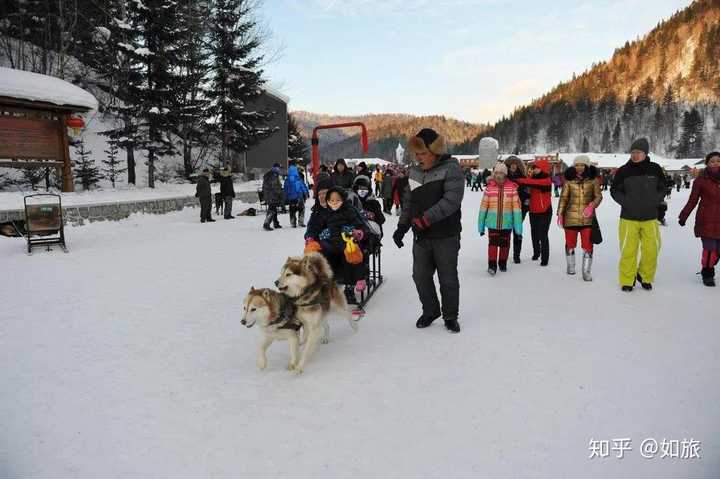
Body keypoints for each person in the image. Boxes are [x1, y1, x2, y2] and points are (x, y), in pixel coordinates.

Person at [392, 128, 464, 334]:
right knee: (420, 276)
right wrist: (402, 227)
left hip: (446, 235)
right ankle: (431, 310)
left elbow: (451, 201)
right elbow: (409, 201)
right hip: (421, 235)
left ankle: (450, 315)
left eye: (422, 153)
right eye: (416, 154)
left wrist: (425, 219)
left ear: (435, 151)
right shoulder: (415, 171)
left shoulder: (452, 169)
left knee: (447, 278)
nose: (418, 158)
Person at [610, 138, 667, 292]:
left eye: (638, 152)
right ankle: (627, 280)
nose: (635, 155)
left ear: (645, 153)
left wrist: (655, 200)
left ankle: (644, 275)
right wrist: (626, 202)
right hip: (629, 218)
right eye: (633, 152)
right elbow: (614, 190)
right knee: (628, 250)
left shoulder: (655, 169)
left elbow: (663, 187)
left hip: (650, 216)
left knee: (653, 249)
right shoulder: (623, 171)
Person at [304, 183, 371, 304]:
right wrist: (310, 238)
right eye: (319, 194)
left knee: (348, 252)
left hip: (347, 240)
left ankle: (349, 288)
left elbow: (362, 226)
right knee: (316, 254)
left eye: (325, 193)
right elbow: (311, 229)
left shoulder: (348, 209)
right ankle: (321, 287)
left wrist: (358, 233)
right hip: (328, 243)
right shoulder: (317, 212)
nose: (322, 196)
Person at [557, 155, 603, 281]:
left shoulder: (593, 180)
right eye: (577, 165)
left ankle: (586, 272)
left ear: (587, 166)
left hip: (587, 219)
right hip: (570, 218)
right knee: (570, 244)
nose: (579, 168)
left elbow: (598, 196)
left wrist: (592, 206)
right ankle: (571, 266)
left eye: (582, 165)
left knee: (588, 245)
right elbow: (563, 199)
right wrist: (560, 214)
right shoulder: (569, 181)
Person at [678, 151, 720, 287]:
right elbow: (692, 200)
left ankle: (710, 263)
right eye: (712, 161)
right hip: (706, 219)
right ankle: (708, 273)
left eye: (718, 161)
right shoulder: (701, 180)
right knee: (709, 249)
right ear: (707, 163)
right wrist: (684, 216)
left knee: (716, 251)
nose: (715, 163)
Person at [477, 163, 523, 275]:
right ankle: (492, 265)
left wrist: (518, 229)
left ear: (505, 174)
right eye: (496, 173)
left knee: (504, 245)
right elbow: (483, 208)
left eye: (501, 173)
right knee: (492, 244)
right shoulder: (489, 188)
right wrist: (481, 226)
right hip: (492, 223)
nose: (498, 175)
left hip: (507, 224)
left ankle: (502, 263)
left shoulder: (512, 188)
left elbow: (517, 211)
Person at [515, 159, 553, 266]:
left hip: (545, 211)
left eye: (536, 167)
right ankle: (536, 252)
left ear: (543, 168)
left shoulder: (546, 180)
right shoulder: (531, 178)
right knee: (534, 233)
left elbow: (533, 183)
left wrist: (519, 180)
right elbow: (528, 187)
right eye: (533, 168)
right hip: (533, 210)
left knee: (543, 234)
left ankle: (545, 258)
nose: (534, 169)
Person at [505, 156, 530, 263]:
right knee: (506, 232)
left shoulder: (523, 178)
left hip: (520, 209)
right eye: (511, 164)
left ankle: (516, 255)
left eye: (515, 164)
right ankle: (504, 254)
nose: (513, 166)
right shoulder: (504, 178)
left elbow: (528, 194)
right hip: (506, 209)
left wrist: (525, 205)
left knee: (517, 232)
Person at [284, 160, 309, 228]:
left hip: (291, 198)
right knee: (301, 209)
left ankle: (293, 223)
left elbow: (285, 189)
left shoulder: (287, 180)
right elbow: (303, 186)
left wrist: (285, 197)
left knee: (292, 210)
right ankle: (301, 222)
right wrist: (306, 193)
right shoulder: (298, 178)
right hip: (299, 196)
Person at [262, 163, 284, 231]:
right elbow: (274, 186)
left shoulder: (271, 174)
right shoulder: (273, 175)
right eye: (279, 168)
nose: (280, 169)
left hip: (269, 194)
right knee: (272, 209)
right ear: (276, 168)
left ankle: (276, 223)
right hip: (271, 194)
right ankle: (266, 223)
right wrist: (280, 193)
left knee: (273, 208)